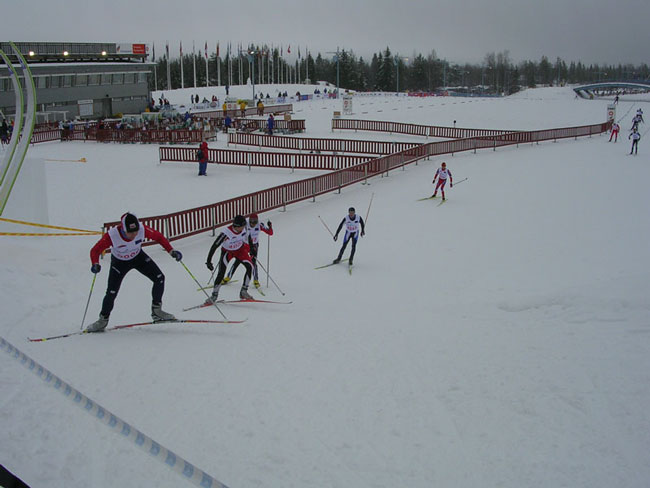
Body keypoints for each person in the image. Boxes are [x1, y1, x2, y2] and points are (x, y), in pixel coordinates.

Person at [86, 213, 183, 332]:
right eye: (130, 233)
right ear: (123, 229)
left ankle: (157, 311)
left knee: (159, 278)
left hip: (138, 257)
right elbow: (95, 250)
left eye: (136, 232)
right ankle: (102, 320)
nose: (134, 235)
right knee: (111, 292)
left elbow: (158, 237)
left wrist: (171, 251)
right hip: (119, 263)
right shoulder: (112, 235)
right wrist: (95, 263)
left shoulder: (142, 229)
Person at [205, 215, 254, 302]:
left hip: (240, 250)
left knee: (250, 267)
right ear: (237, 226)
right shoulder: (226, 233)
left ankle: (244, 291)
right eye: (242, 226)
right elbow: (214, 246)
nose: (244, 228)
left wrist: (251, 248)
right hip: (227, 252)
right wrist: (209, 261)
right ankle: (214, 295)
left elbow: (248, 236)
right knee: (221, 273)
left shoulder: (244, 228)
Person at [224, 213, 273, 288]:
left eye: (255, 222)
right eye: (251, 221)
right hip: (244, 245)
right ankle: (228, 277)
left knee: (253, 262)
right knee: (237, 261)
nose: (252, 224)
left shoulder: (260, 225)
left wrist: (270, 226)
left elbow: (270, 233)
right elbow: (236, 230)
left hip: (254, 246)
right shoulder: (245, 224)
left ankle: (255, 280)